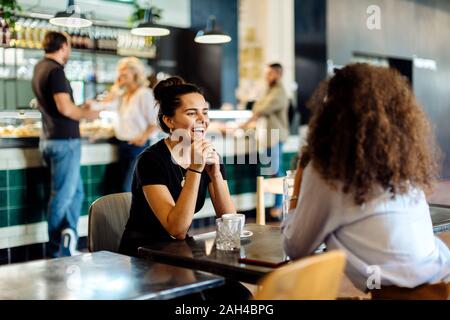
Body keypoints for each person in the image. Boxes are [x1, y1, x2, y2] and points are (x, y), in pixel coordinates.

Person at [282, 63, 450, 299]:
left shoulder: (328, 171)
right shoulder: (401, 167)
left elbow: (295, 248)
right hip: (440, 284)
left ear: (330, 111)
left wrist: (299, 184)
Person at [119, 76, 250, 299]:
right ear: (169, 121)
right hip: (144, 255)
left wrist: (215, 174)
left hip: (180, 253)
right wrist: (196, 170)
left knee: (239, 296)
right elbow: (176, 229)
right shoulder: (151, 160)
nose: (202, 120)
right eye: (191, 113)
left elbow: (229, 221)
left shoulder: (209, 155)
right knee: (198, 300)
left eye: (205, 112)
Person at [31, 31, 99, 258]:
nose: (69, 50)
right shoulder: (56, 70)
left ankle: (67, 241)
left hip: (51, 139)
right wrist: (88, 114)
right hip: (64, 142)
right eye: (68, 46)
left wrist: (80, 107)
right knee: (61, 196)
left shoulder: (40, 67)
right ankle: (55, 252)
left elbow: (60, 106)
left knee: (76, 193)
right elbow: (65, 108)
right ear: (62, 47)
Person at [88, 57, 159, 192]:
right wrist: (115, 87)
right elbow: (105, 106)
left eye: (124, 73)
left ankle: (133, 214)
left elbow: (155, 121)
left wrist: (143, 137)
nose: (120, 76)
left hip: (138, 147)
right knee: (123, 188)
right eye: (119, 73)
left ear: (135, 74)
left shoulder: (145, 94)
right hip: (123, 146)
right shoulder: (123, 95)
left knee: (128, 188)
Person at [242, 63, 289, 221]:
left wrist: (258, 106)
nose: (266, 76)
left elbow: (260, 109)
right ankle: (277, 208)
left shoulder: (279, 92)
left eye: (270, 74)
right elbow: (257, 106)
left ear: (278, 74)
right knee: (273, 170)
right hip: (270, 137)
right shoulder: (270, 90)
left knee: (276, 170)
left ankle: (278, 208)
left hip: (275, 137)